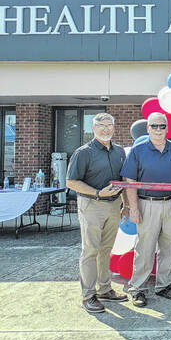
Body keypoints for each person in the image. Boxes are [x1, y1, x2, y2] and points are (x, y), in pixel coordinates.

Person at [66, 113, 128, 313]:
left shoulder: (119, 151)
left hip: (113, 205)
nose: (106, 129)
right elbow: (71, 182)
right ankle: (88, 295)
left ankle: (104, 289)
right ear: (93, 128)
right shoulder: (83, 152)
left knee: (105, 249)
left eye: (109, 125)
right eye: (101, 125)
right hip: (92, 205)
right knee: (90, 250)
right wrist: (96, 193)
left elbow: (123, 181)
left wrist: (125, 204)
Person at [120, 112, 171, 307]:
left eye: (161, 126)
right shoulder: (138, 150)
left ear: (166, 128)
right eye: (154, 126)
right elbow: (129, 181)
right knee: (145, 247)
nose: (158, 130)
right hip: (147, 203)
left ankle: (164, 285)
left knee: (169, 246)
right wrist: (133, 207)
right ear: (147, 128)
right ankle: (137, 288)